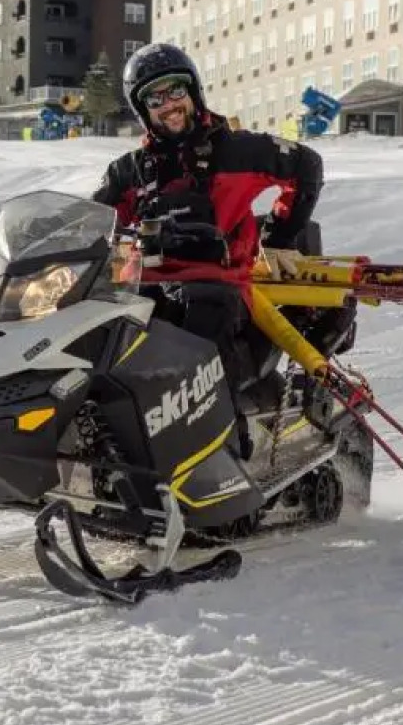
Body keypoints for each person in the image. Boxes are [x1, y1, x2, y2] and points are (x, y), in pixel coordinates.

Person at [91, 43, 356, 445]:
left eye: (175, 91)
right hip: (146, 288)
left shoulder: (234, 150)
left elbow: (306, 166)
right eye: (154, 98)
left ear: (193, 92)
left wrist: (281, 237)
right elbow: (96, 226)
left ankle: (225, 443)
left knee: (203, 312)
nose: (169, 105)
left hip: (220, 285)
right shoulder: (129, 172)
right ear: (142, 110)